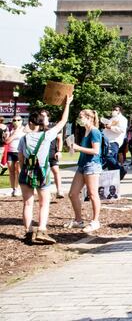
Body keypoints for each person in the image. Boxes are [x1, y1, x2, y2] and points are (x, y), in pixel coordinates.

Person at [18, 97, 72, 244]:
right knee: (44, 202)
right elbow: (63, 121)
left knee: (27, 204)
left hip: (26, 173)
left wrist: (24, 171)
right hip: (42, 172)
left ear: (30, 123)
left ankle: (28, 233)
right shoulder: (47, 136)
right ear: (42, 123)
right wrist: (67, 104)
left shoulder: (24, 139)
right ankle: (41, 230)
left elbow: (21, 159)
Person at [65, 109, 104, 233]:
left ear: (89, 118)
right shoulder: (86, 131)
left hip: (92, 165)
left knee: (93, 194)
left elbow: (96, 151)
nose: (79, 119)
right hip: (82, 165)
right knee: (73, 193)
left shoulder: (94, 132)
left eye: (81, 117)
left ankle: (95, 221)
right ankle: (78, 220)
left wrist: (78, 147)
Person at [39, 110, 65, 199]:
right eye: (41, 115)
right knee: (45, 173)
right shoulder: (38, 127)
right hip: (42, 154)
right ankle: (47, 193)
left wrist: (59, 151)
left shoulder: (53, 126)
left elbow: (60, 139)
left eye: (44, 116)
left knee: (56, 171)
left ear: (48, 117)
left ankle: (59, 191)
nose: (42, 117)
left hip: (52, 152)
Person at [102, 105, 128, 179]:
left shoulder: (122, 119)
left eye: (116, 110)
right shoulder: (111, 119)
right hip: (107, 140)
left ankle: (121, 170)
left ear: (120, 111)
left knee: (108, 156)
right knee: (110, 160)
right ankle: (114, 177)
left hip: (114, 141)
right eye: (113, 109)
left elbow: (121, 130)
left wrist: (111, 127)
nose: (114, 111)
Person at [4, 115, 27, 197]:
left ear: (21, 121)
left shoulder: (25, 129)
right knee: (11, 171)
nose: (16, 121)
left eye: (18, 120)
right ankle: (13, 189)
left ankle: (18, 188)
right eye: (14, 120)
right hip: (10, 152)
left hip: (19, 152)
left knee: (18, 170)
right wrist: (14, 134)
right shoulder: (9, 129)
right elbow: (6, 141)